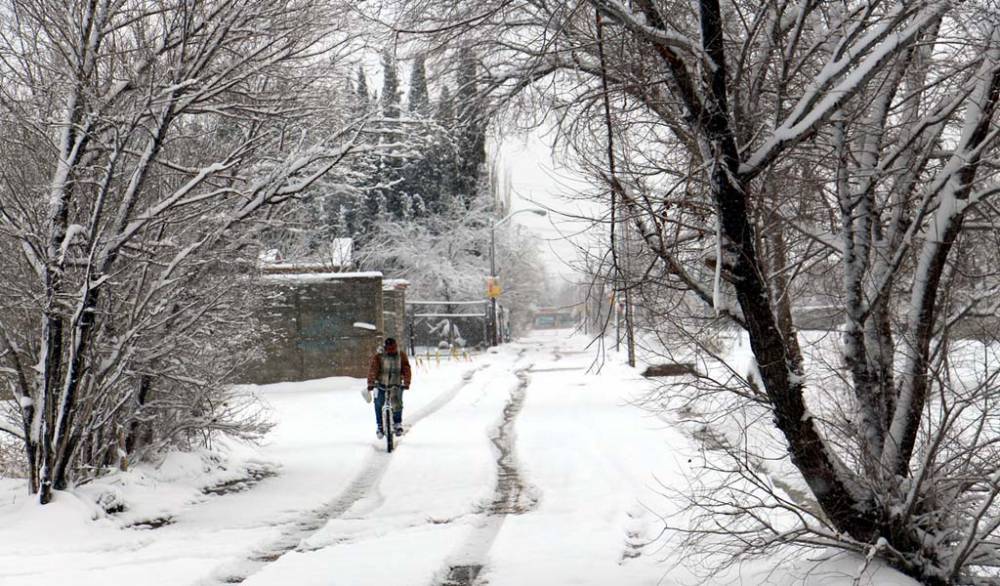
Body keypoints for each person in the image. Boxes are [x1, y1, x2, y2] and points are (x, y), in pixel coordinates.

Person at [364, 337, 412, 438]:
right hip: (381, 384)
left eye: (393, 349)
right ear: (385, 348)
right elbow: (373, 369)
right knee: (378, 403)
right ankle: (380, 426)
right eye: (389, 349)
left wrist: (406, 382)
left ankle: (397, 423)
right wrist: (371, 383)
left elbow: (406, 369)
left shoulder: (401, 355)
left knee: (397, 403)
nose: (391, 351)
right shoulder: (379, 356)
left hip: (396, 384)